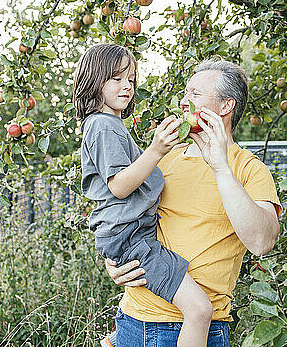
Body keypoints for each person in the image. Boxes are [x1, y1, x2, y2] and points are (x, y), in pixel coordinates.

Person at [105, 59, 283, 347]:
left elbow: (262, 242)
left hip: (197, 331)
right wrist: (113, 262)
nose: (183, 100)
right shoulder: (166, 157)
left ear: (226, 106)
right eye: (185, 92)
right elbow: (127, 215)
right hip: (133, 320)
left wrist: (221, 168)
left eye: (195, 94)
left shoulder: (248, 169)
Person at [73, 44, 215, 347]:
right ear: (93, 79)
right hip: (131, 236)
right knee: (200, 309)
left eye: (131, 79)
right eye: (116, 78)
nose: (127, 86)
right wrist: (155, 149)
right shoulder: (102, 126)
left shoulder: (110, 124)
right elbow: (119, 186)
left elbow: (139, 172)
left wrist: (170, 145)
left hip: (132, 233)